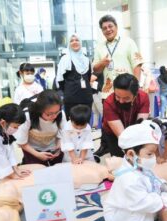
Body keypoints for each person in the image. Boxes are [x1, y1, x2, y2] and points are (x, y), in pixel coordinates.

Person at [93, 14, 143, 157]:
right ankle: (107, 147)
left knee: (129, 118)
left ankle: (132, 147)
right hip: (108, 91)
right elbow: (96, 69)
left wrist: (136, 88)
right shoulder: (99, 47)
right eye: (104, 28)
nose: (108, 30)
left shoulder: (128, 42)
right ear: (102, 31)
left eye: (110, 26)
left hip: (126, 90)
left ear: (116, 27)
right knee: (107, 122)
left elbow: (137, 64)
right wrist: (103, 62)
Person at [102, 73, 150, 157]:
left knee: (138, 155)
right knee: (117, 157)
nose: (121, 101)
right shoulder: (108, 102)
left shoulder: (143, 97)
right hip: (112, 133)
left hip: (133, 127)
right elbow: (122, 136)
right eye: (117, 97)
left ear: (135, 95)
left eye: (126, 98)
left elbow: (140, 127)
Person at [14, 90, 67, 166]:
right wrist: (38, 154)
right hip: (32, 149)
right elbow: (22, 142)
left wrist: (59, 145)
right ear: (39, 110)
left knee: (56, 170)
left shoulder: (60, 114)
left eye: (57, 112)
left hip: (53, 149)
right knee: (36, 172)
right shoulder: (27, 116)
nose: (54, 116)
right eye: (49, 114)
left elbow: (63, 132)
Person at [56, 34, 93, 119]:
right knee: (71, 125)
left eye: (77, 40)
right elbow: (60, 80)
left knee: (85, 124)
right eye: (71, 41)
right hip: (71, 98)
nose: (74, 42)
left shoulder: (86, 60)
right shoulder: (65, 59)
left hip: (86, 97)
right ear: (69, 44)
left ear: (80, 42)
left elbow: (88, 77)